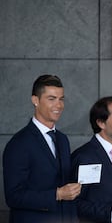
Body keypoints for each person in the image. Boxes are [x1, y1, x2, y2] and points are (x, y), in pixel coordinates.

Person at [3, 74, 82, 223]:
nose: (59, 105)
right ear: (35, 101)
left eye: (61, 99)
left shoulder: (62, 139)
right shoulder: (19, 143)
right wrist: (57, 194)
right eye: (51, 99)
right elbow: (14, 197)